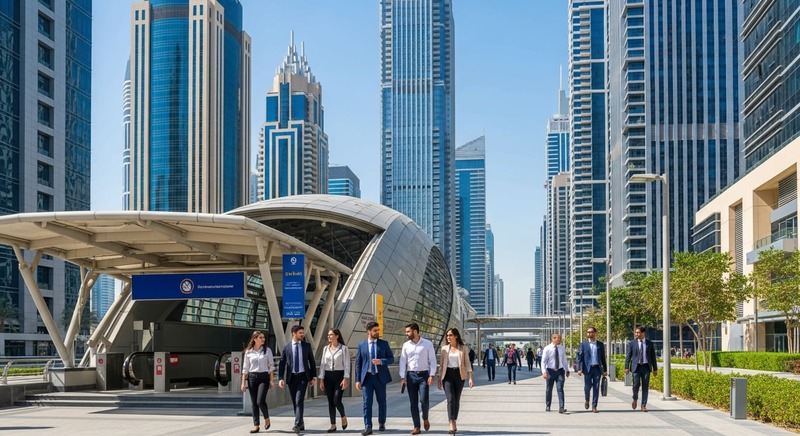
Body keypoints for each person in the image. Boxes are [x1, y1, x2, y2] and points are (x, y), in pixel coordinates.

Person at [355, 321, 395, 436]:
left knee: (381, 401)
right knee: (367, 402)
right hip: (367, 378)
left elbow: (391, 358)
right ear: (368, 332)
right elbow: (358, 363)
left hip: (379, 378)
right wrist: (357, 380)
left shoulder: (384, 344)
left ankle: (382, 422)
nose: (377, 332)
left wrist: (381, 361)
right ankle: (368, 426)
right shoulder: (361, 345)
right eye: (375, 330)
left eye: (378, 330)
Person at [398, 322, 437, 435]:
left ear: (415, 331)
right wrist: (402, 377)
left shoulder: (427, 344)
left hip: (424, 376)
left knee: (424, 400)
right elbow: (403, 362)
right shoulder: (406, 345)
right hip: (411, 376)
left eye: (408, 331)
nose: (406, 334)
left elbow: (432, 360)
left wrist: (432, 375)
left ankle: (425, 417)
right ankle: (416, 427)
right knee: (413, 403)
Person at [278, 325, 317, 434]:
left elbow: (312, 362)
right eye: (300, 333)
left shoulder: (306, 346)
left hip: (303, 377)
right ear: (294, 334)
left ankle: (297, 425)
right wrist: (280, 378)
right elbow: (282, 363)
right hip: (291, 378)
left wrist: (313, 377)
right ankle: (301, 423)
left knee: (299, 400)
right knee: (295, 402)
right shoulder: (286, 347)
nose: (302, 334)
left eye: (302, 333)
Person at [437, 328, 473, 435]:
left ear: (456, 336)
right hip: (447, 375)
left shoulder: (463, 348)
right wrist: (439, 379)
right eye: (447, 335)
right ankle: (451, 422)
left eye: (450, 335)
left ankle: (454, 420)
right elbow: (441, 365)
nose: (448, 337)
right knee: (450, 399)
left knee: (456, 400)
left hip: (459, 375)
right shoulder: (444, 349)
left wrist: (470, 378)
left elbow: (467, 363)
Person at [241, 330, 275, 434]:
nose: (263, 339)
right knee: (254, 403)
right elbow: (245, 368)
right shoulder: (248, 352)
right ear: (255, 339)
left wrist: (272, 380)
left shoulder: (267, 351)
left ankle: (266, 418)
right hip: (252, 378)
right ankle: (256, 425)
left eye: (263, 337)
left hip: (263, 377)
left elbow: (271, 366)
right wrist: (243, 383)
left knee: (260, 401)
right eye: (260, 337)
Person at [319, 328, 350, 433]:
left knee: (336, 400)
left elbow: (347, 365)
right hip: (328, 377)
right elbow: (322, 365)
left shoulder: (343, 349)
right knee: (330, 401)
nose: (329, 336)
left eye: (331, 334)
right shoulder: (325, 349)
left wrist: (345, 378)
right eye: (328, 335)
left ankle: (343, 416)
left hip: (339, 376)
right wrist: (321, 379)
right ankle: (333, 425)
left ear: (337, 336)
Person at [625, 326, 658, 412]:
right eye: (636, 332)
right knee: (635, 385)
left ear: (643, 333)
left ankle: (643, 405)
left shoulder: (649, 343)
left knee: (645, 386)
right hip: (636, 367)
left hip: (646, 367)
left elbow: (653, 357)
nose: (636, 334)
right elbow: (628, 356)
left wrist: (655, 368)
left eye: (638, 332)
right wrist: (626, 367)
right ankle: (635, 398)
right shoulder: (632, 343)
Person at [576, 327, 608, 413]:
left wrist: (605, 370)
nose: (589, 334)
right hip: (587, 369)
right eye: (588, 332)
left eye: (591, 332)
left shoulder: (600, 344)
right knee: (587, 387)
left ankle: (594, 406)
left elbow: (603, 358)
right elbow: (579, 357)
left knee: (596, 387)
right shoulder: (584, 344)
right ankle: (587, 399)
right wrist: (579, 368)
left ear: (595, 333)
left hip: (597, 369)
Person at [542, 333, 570, 413]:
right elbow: (543, 361)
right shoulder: (547, 348)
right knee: (549, 389)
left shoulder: (561, 348)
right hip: (550, 371)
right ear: (553, 339)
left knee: (560, 388)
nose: (560, 339)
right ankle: (548, 405)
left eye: (560, 338)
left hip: (560, 371)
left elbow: (564, 360)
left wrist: (567, 369)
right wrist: (544, 372)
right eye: (558, 338)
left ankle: (561, 407)